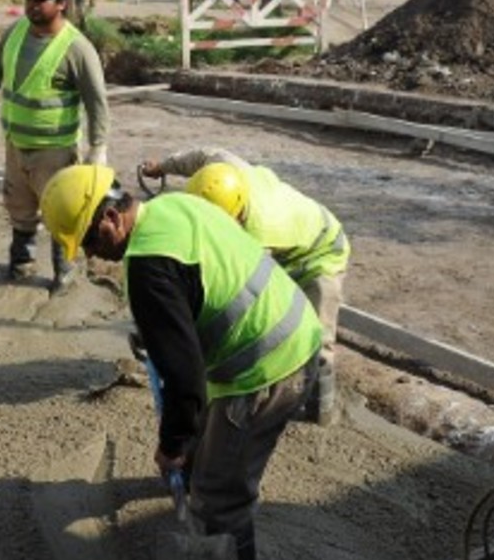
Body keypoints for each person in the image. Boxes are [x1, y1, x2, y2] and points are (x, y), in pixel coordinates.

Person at [40, 164, 321, 560]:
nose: (89, 254)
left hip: (268, 368)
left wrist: (171, 446)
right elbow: (203, 279)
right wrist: (164, 327)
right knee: (201, 438)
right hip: (294, 327)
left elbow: (186, 382)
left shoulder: (148, 267)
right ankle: (197, 470)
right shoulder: (175, 205)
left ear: (111, 217)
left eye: (88, 240)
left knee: (218, 496)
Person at [142, 147, 349, 424]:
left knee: (314, 339)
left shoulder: (259, 234)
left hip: (322, 253)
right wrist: (163, 167)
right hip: (291, 245)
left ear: (236, 216)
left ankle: (320, 413)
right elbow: (200, 156)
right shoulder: (224, 169)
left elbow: (242, 295)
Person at [0, 0, 109, 291]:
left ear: (62, 1)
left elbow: (97, 102)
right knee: (19, 208)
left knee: (60, 214)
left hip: (55, 152)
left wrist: (98, 147)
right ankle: (20, 265)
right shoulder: (16, 32)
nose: (33, 6)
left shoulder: (77, 49)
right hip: (15, 144)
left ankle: (62, 273)